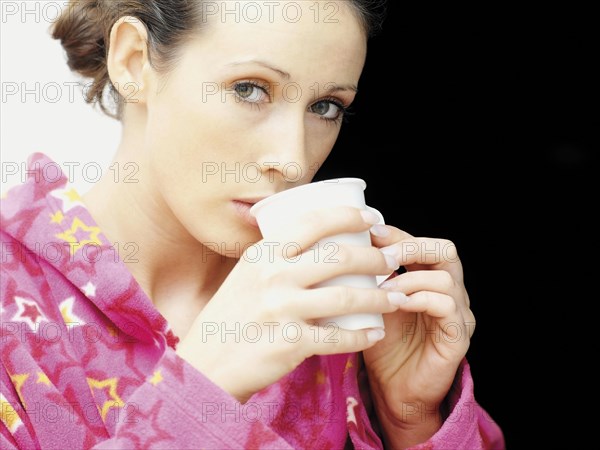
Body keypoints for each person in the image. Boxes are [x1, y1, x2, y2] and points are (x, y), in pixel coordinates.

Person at [0, 1, 504, 448]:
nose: (292, 159)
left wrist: (409, 418)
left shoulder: (336, 303)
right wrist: (200, 389)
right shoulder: (11, 318)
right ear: (134, 61)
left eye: (325, 107)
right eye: (250, 89)